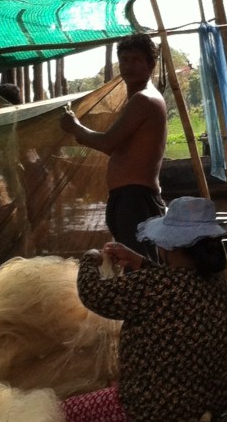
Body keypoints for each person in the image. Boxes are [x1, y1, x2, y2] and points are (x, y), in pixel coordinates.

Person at [61, 197, 227, 422]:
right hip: (212, 399)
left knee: (60, 415)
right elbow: (172, 290)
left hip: (151, 406)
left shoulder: (154, 286)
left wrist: (90, 258)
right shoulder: (216, 283)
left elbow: (94, 293)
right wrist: (139, 262)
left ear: (168, 245)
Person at [60, 33, 167, 257]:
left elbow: (108, 143)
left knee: (138, 270)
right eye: (124, 60)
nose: (128, 66)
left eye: (136, 60)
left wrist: (75, 126)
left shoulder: (144, 99)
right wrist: (81, 132)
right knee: (132, 267)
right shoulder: (137, 99)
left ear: (150, 64)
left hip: (136, 199)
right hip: (128, 198)